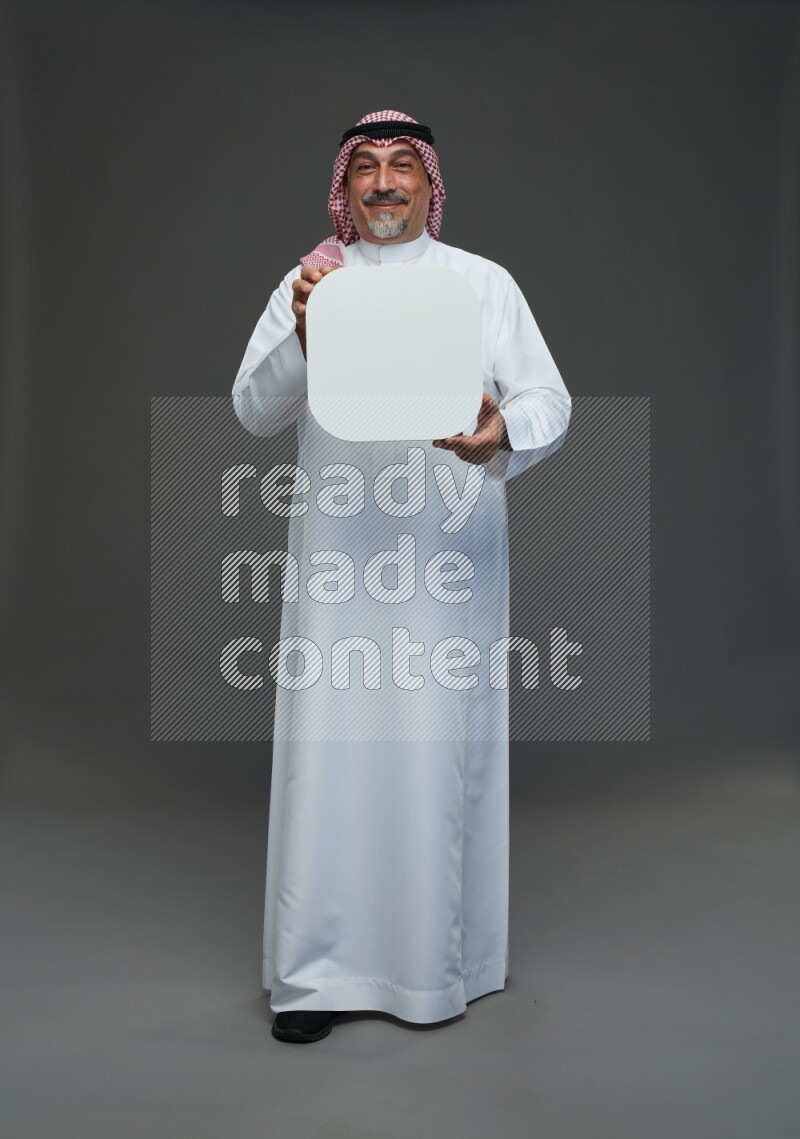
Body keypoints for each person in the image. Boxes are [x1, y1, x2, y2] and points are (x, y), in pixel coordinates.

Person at [232, 110, 571, 1043]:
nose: (385, 183)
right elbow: (254, 409)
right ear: (347, 186)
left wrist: (504, 430)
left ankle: (431, 971)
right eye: (368, 168)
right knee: (328, 759)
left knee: (432, 758)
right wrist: (304, 333)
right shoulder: (313, 284)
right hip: (340, 568)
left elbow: (550, 398)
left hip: (446, 568)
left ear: (430, 182)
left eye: (402, 166)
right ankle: (313, 977)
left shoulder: (481, 284)